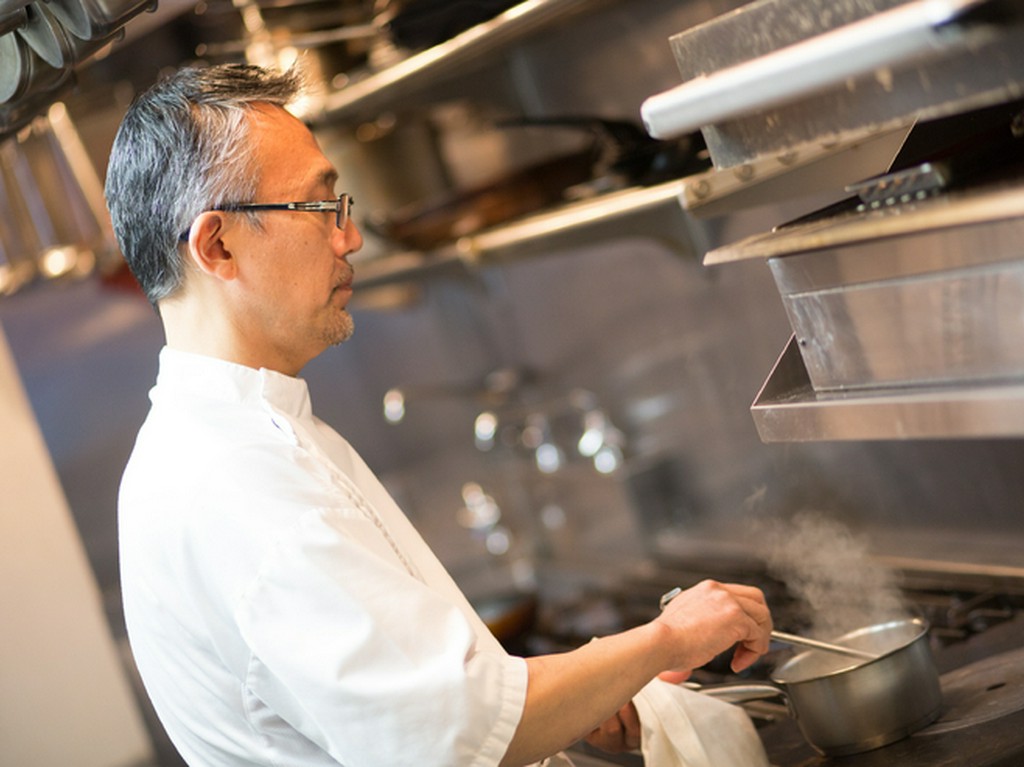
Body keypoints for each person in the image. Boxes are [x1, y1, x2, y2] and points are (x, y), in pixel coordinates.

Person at [105, 63, 773, 767]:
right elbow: (450, 730)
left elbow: (420, 703)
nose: (349, 238)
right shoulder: (235, 478)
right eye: (319, 208)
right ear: (217, 246)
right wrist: (666, 640)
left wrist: (570, 698)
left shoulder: (210, 442)